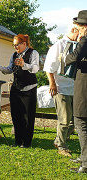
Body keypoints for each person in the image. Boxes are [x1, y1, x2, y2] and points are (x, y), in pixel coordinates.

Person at [0, 34, 39, 148]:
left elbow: (36, 68)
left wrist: (24, 64)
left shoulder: (33, 53)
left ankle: (26, 143)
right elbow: (9, 69)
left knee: (27, 117)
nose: (15, 47)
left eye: (17, 45)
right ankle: (18, 141)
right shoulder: (14, 55)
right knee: (16, 115)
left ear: (24, 44)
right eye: (14, 45)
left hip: (29, 89)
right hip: (16, 88)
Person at [43, 27, 79, 157]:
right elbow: (49, 67)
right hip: (61, 88)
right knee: (64, 119)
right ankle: (61, 146)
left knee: (75, 119)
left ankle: (59, 139)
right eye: (79, 32)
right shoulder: (59, 45)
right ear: (74, 30)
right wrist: (52, 83)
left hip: (75, 88)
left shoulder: (79, 45)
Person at [65, 10, 87, 174]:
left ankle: (85, 164)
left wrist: (63, 58)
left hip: (84, 90)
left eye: (79, 27)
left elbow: (73, 57)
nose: (77, 30)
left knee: (81, 124)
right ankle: (83, 156)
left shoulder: (85, 41)